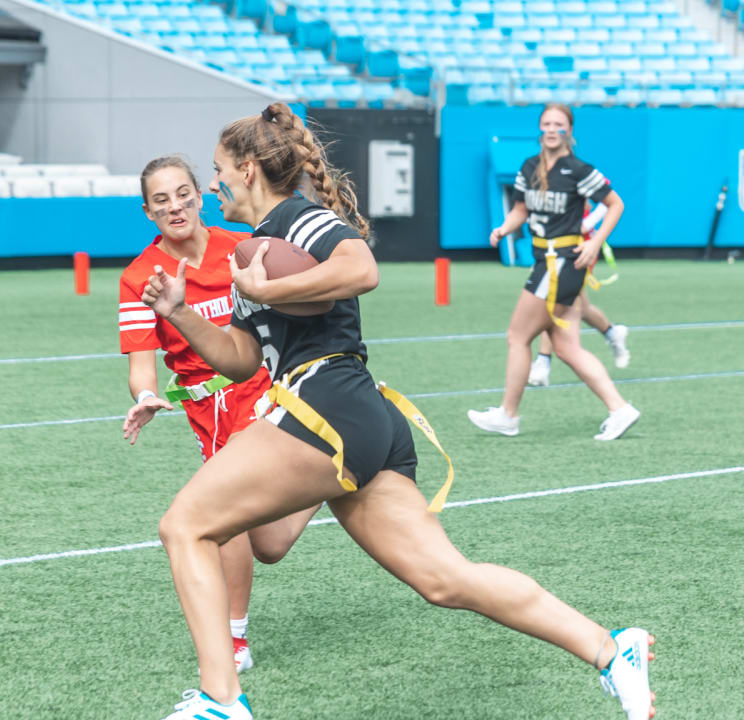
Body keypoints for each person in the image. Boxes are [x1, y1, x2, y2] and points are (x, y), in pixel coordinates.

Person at [142, 102, 654, 720]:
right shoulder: (250, 252)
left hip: (327, 402)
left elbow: (361, 268)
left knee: (185, 525)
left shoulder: (299, 221)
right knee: (440, 578)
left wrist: (264, 289)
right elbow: (243, 360)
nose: (214, 183)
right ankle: (610, 648)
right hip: (355, 418)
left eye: (219, 170)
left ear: (249, 170)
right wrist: (180, 313)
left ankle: (221, 700)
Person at [121, 154, 307, 673]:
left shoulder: (241, 249)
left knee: (222, 522)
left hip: (266, 387)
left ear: (200, 195)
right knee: (268, 542)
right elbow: (141, 361)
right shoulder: (140, 277)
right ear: (147, 212)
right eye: (161, 200)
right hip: (209, 411)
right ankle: (334, 479)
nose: (175, 206)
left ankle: (235, 639)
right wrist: (145, 397)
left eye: (183, 193)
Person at [469, 103, 640, 440]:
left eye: (558, 124)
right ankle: (620, 409)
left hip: (561, 263)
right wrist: (505, 228)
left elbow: (616, 204)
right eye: (546, 123)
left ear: (569, 130)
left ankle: (508, 415)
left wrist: (595, 244)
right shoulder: (529, 166)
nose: (550, 129)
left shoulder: (577, 169)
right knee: (566, 348)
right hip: (546, 261)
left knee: (518, 336)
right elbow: (520, 208)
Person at [528, 201, 629, 387]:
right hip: (554, 246)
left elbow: (610, 201)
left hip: (579, 247)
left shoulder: (578, 172)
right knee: (580, 307)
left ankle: (543, 361)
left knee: (553, 300)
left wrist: (587, 224)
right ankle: (612, 332)